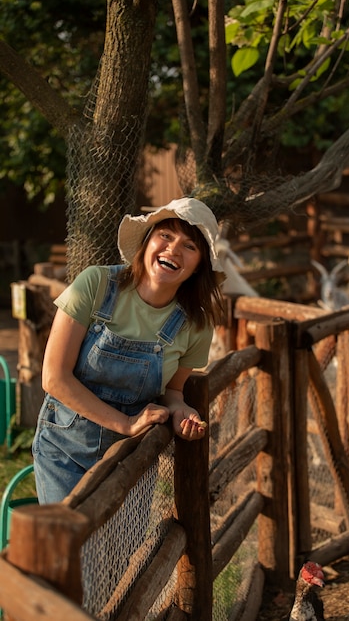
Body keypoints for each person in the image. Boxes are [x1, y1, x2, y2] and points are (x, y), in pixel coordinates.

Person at [32, 197, 225, 504]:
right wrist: (126, 424)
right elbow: (54, 378)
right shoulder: (96, 284)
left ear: (200, 264)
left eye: (190, 246)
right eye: (166, 235)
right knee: (73, 549)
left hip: (131, 459)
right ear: (147, 241)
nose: (173, 249)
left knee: (120, 552)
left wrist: (183, 412)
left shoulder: (196, 324)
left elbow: (173, 393)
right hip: (65, 451)